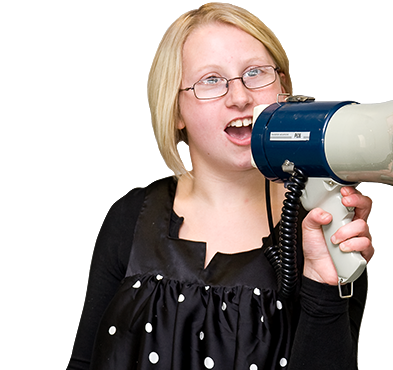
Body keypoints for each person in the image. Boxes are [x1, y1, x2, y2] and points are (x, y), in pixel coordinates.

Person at [67, 3, 375, 370]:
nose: (240, 97)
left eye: (256, 73)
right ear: (175, 110)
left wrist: (324, 284)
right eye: (211, 80)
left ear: (285, 91)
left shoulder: (322, 231)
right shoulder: (129, 218)